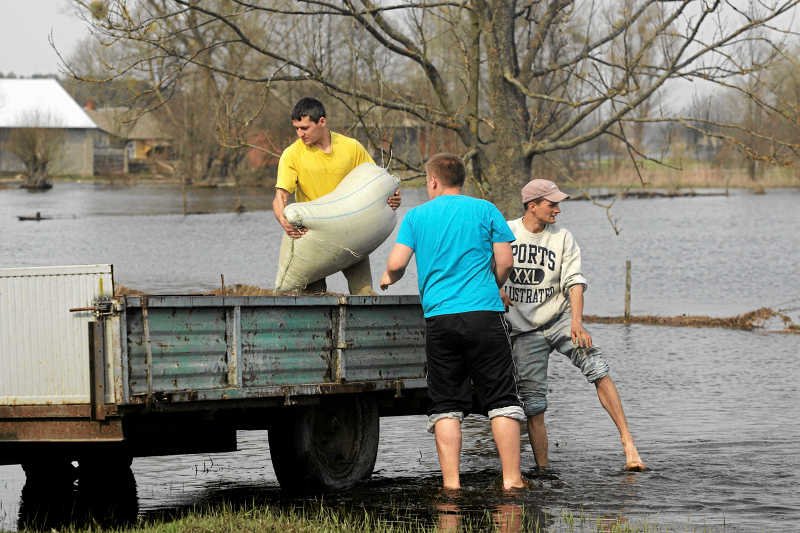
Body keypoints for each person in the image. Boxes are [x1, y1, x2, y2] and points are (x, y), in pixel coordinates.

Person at [380, 153, 526, 490]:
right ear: (461, 178)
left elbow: (397, 262)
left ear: (432, 181)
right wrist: (493, 286)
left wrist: (389, 276)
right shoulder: (485, 209)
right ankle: (512, 480)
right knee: (502, 398)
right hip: (484, 315)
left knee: (445, 403)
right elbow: (505, 261)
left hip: (440, 319)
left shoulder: (416, 217)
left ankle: (451, 484)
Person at [501, 178, 645, 472]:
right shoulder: (506, 232)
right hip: (524, 331)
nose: (558, 210)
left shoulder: (562, 237)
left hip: (560, 319)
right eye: (552, 204)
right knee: (534, 403)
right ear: (532, 206)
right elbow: (481, 264)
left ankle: (629, 445)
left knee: (598, 367)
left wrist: (577, 322)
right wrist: (495, 287)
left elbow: (574, 281)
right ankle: (543, 471)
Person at [272, 97, 401, 295]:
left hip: (352, 232)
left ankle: (366, 324)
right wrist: (283, 219)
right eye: (296, 128)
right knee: (312, 300)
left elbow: (376, 182)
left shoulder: (351, 147)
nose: (300, 134)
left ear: (322, 122)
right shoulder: (292, 154)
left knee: (364, 294)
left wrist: (392, 197)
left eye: (305, 128)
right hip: (313, 236)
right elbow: (280, 196)